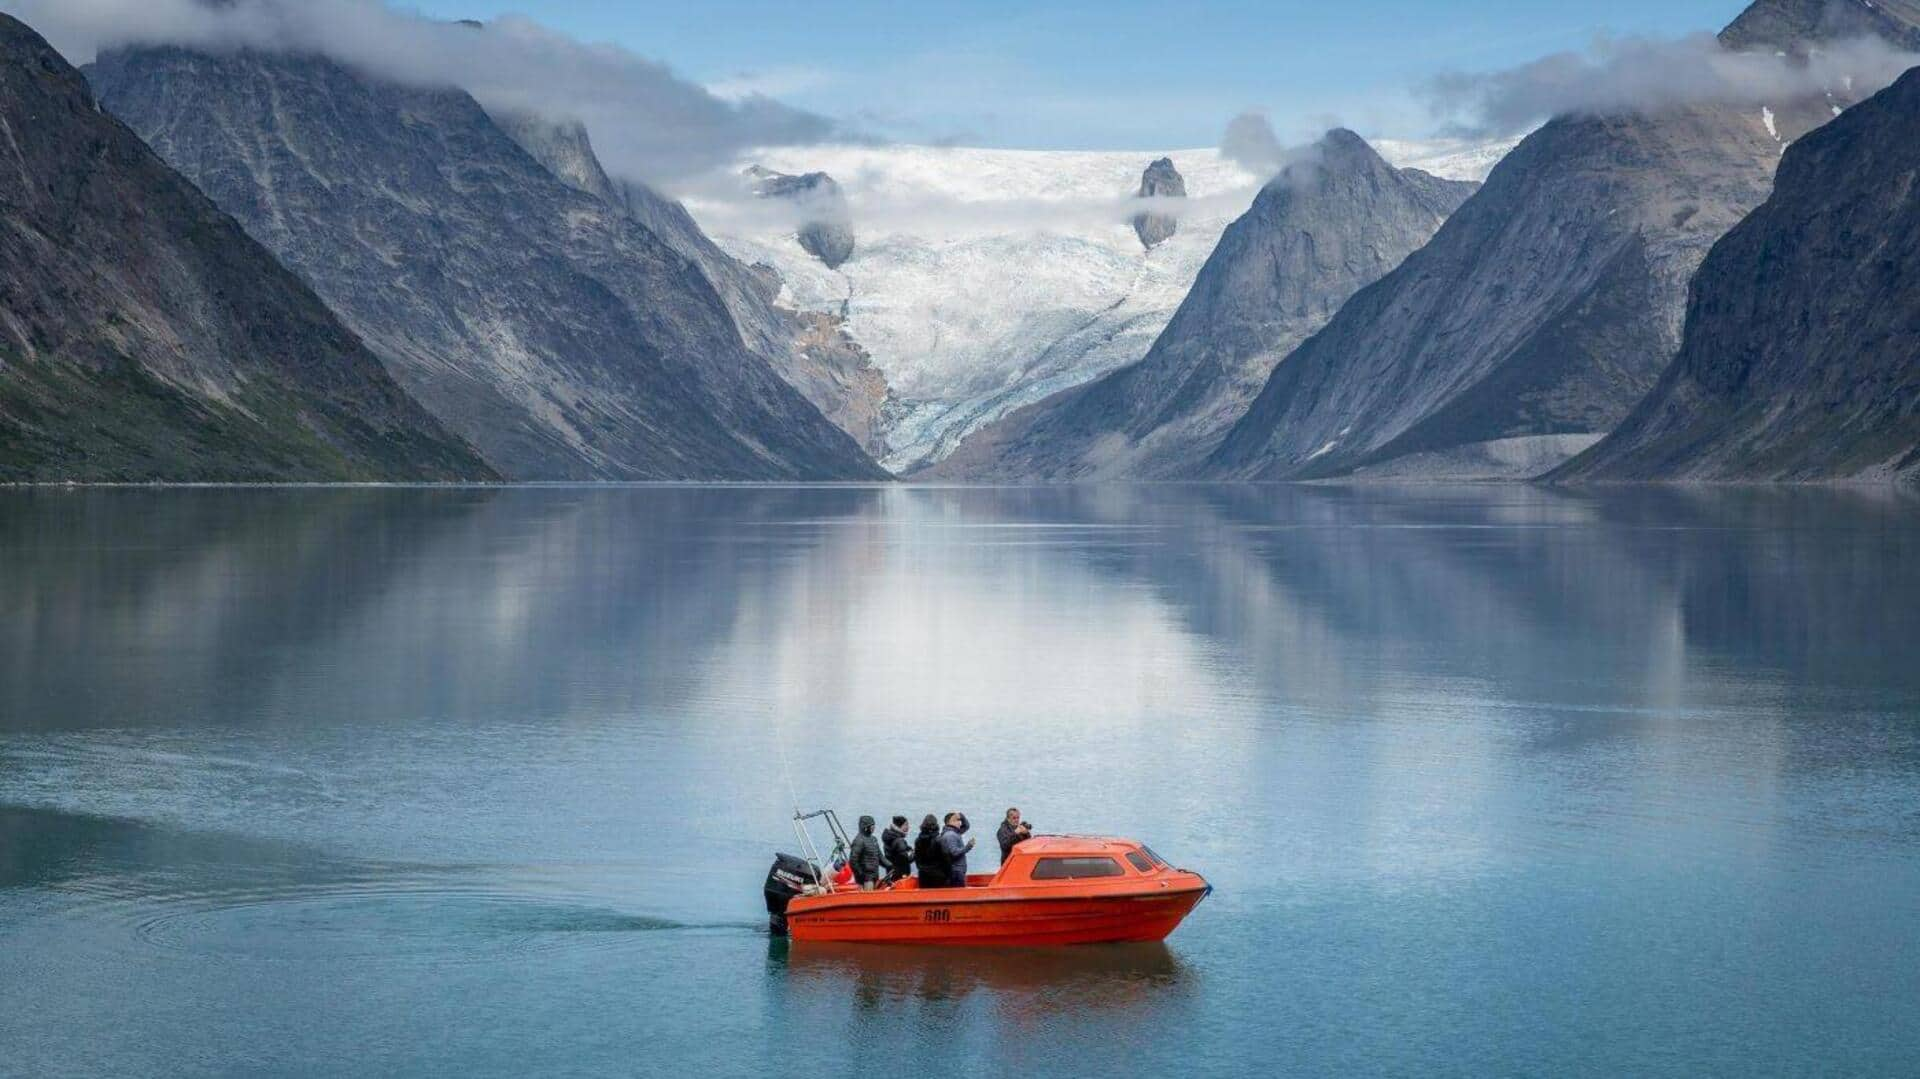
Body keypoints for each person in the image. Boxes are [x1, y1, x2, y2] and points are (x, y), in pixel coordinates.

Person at [937, 811, 975, 887]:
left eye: (959, 820)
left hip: (957, 871)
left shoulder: (955, 832)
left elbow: (966, 826)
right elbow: (954, 853)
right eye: (957, 820)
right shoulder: (950, 835)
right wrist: (968, 846)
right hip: (956, 872)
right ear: (950, 822)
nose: (960, 822)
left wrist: (960, 814)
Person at [849, 815, 884, 890]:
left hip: (875, 876)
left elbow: (880, 857)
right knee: (869, 896)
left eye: (874, 825)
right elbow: (853, 861)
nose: (874, 828)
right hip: (866, 879)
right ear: (866, 827)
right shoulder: (859, 841)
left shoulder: (873, 839)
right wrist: (860, 875)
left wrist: (891, 866)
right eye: (872, 826)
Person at [913, 814, 947, 887]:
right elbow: (946, 858)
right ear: (936, 825)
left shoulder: (918, 840)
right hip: (939, 875)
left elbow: (917, 859)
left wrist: (921, 869)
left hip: (923, 875)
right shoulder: (939, 840)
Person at [882, 815, 914, 883]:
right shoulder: (899, 841)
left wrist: (908, 849)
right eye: (906, 825)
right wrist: (915, 854)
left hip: (891, 872)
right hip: (900, 874)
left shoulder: (889, 838)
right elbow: (905, 859)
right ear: (900, 826)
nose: (908, 827)